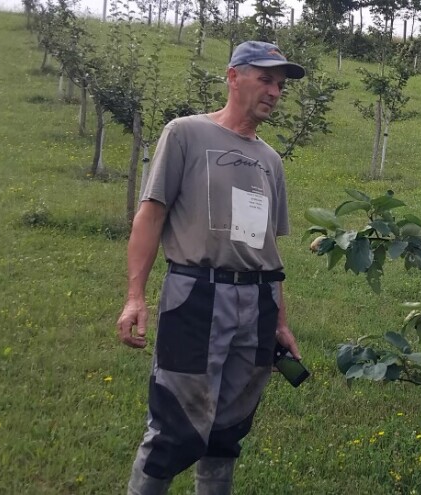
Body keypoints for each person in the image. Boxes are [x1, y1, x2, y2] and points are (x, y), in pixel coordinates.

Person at [115, 41, 306, 495]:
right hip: (197, 295)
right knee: (174, 427)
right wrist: (135, 297)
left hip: (257, 303)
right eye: (266, 79)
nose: (275, 92)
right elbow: (151, 214)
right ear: (233, 76)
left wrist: (279, 321)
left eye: (281, 85)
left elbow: (268, 252)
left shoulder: (270, 161)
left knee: (227, 432)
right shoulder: (186, 134)